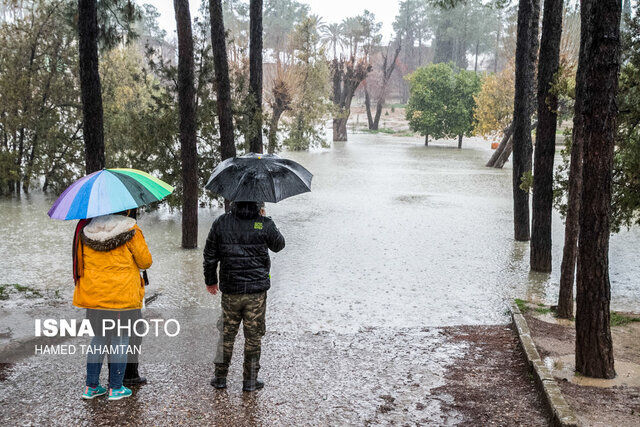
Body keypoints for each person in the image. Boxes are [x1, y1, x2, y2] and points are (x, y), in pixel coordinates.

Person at [204, 201, 285, 392]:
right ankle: (250, 381)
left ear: (234, 200)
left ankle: (220, 378)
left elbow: (210, 255)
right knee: (253, 337)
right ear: (258, 203)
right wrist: (267, 220)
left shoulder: (221, 222)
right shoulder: (263, 223)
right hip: (256, 292)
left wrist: (210, 280)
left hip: (231, 290)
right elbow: (279, 245)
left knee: (226, 335)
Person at [73, 209, 152, 400]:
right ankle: (116, 388)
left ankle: (91, 387)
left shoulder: (86, 230)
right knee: (121, 340)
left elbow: (81, 262)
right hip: (122, 297)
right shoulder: (131, 228)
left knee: (98, 339)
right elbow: (145, 261)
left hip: (94, 297)